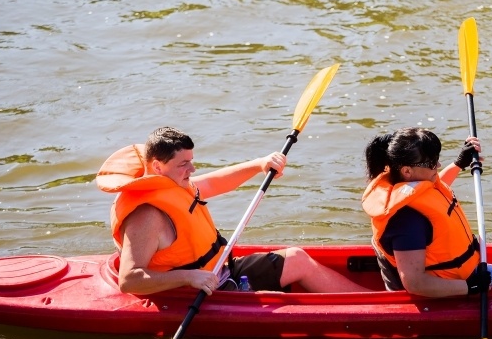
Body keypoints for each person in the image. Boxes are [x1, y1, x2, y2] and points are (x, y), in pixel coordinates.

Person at [96, 126, 369, 296]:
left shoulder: (174, 184)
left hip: (219, 271)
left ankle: (368, 300)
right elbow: (130, 280)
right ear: (157, 166)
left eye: (191, 161)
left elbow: (215, 182)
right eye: (184, 164)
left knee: (297, 258)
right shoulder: (147, 216)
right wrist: (190, 277)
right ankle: (368, 309)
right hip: (195, 293)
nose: (192, 169)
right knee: (282, 289)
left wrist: (260, 164)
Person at [361, 127, 492, 298]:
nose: (438, 165)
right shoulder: (407, 220)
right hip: (449, 292)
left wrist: (459, 163)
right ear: (407, 171)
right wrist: (470, 287)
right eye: (431, 163)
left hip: (468, 274)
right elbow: (415, 283)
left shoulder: (411, 182)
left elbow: (435, 192)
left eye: (437, 158)